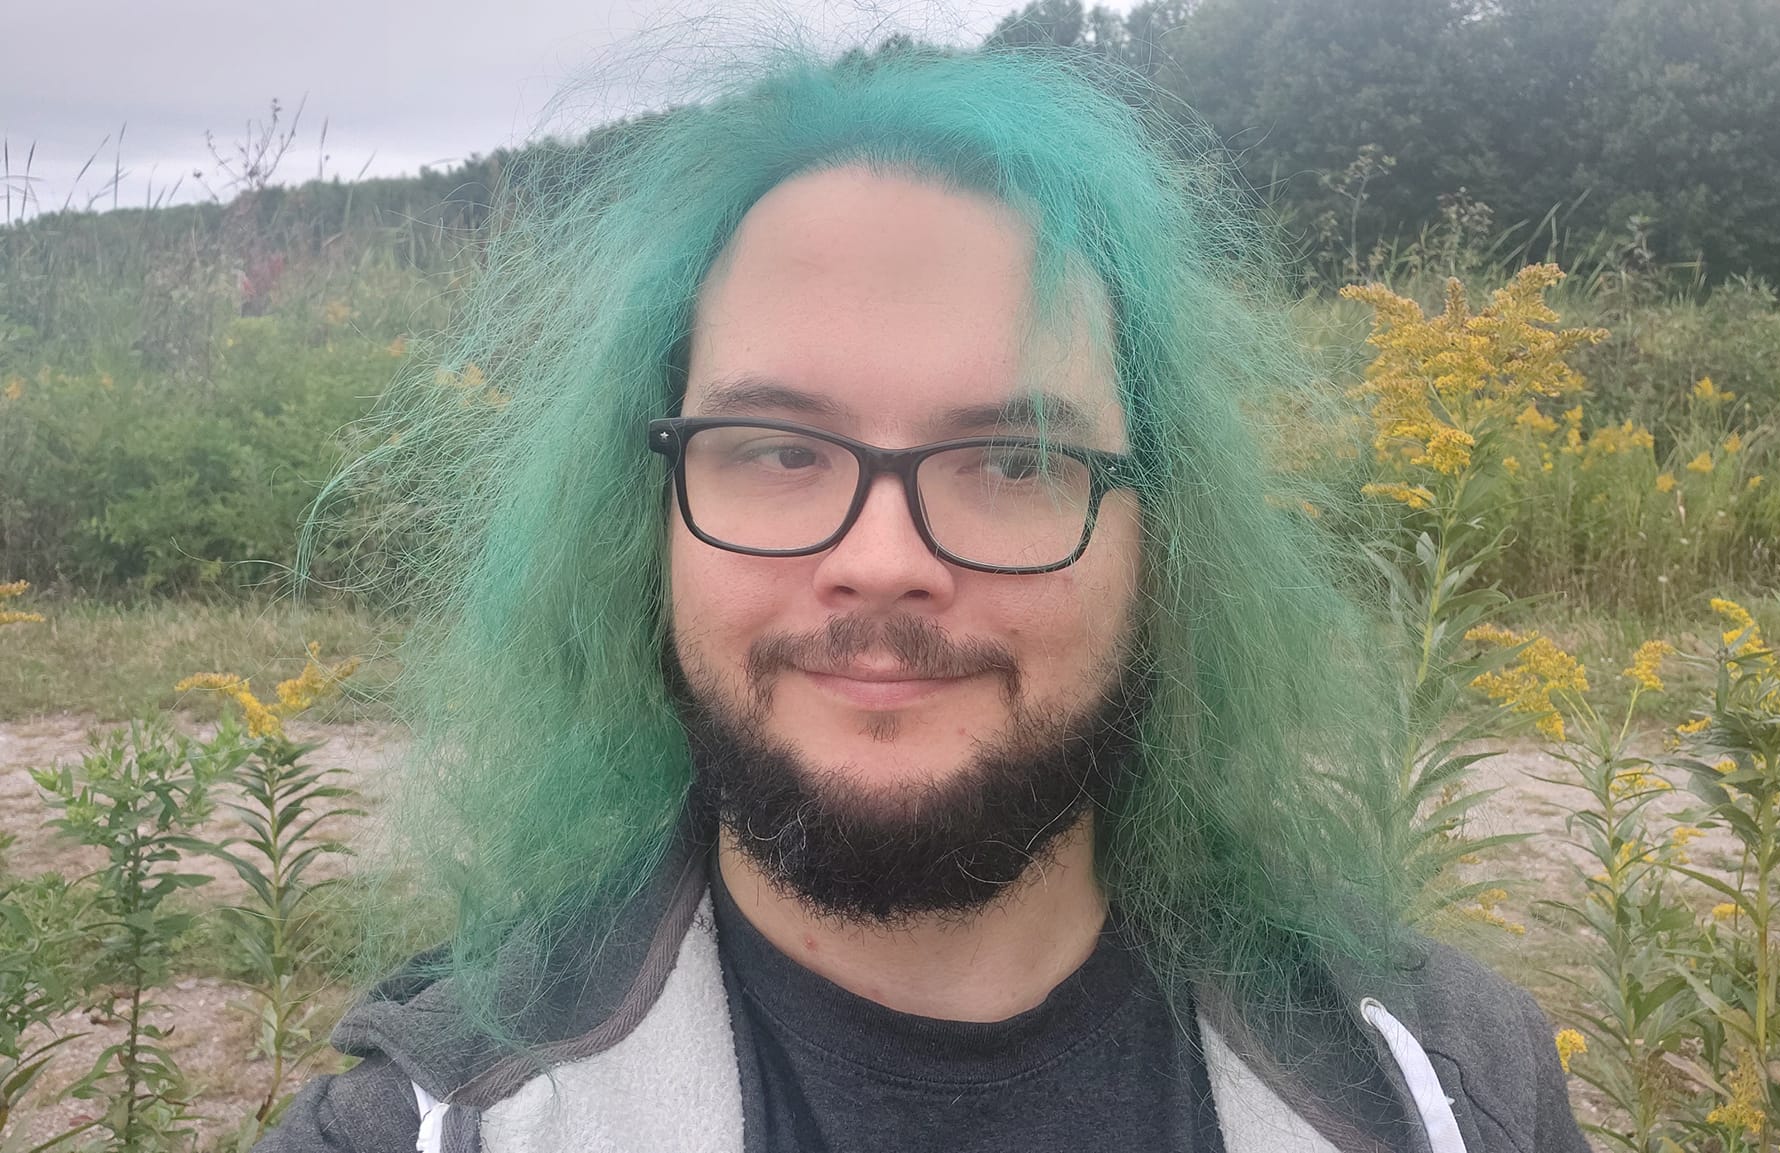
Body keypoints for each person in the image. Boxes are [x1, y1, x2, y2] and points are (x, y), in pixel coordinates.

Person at [262, 41, 1589, 1153]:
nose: (884, 558)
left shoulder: (1453, 1095)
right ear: (650, 518)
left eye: (1014, 458)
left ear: (1159, 538)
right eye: (778, 448)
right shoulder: (424, 1127)